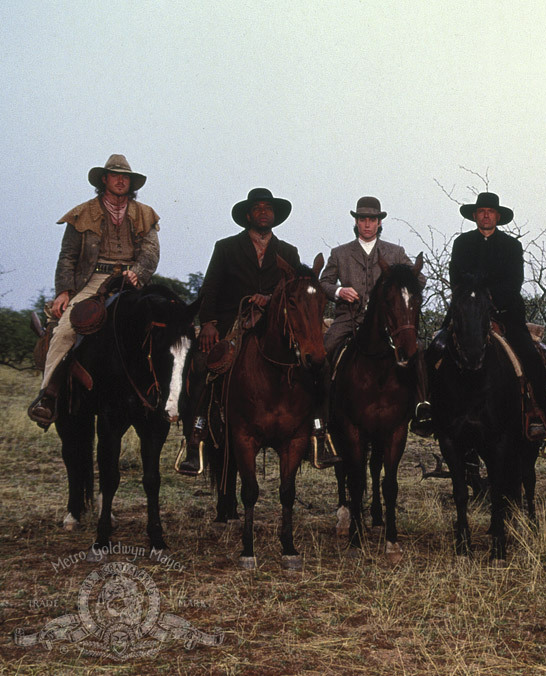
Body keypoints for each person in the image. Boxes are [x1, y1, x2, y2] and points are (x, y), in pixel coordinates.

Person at [176, 188, 337, 475]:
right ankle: (196, 435)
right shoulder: (225, 247)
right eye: (258, 208)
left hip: (275, 321)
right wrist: (209, 323)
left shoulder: (288, 251)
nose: (264, 212)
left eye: (268, 208)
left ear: (274, 216)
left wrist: (271, 298)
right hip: (232, 319)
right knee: (203, 363)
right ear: (248, 215)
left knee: (317, 364)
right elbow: (210, 288)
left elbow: (293, 287)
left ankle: (318, 433)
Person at [28, 154, 160, 426]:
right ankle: (48, 395)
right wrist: (64, 291)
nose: (121, 180)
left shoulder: (145, 214)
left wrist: (138, 273)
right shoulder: (82, 213)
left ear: (132, 183)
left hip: (131, 279)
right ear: (105, 179)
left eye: (126, 177)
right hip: (93, 280)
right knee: (65, 328)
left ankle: (170, 400)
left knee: (166, 325)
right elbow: (67, 256)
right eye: (115, 175)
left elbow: (151, 251)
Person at [444, 191, 546, 441]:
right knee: (437, 348)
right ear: (475, 216)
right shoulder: (462, 243)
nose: (485, 215)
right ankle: (430, 410)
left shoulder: (511, 246)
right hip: (467, 312)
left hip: (505, 313)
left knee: (530, 355)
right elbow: (456, 279)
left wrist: (489, 299)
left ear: (497, 216)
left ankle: (542, 416)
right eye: (481, 211)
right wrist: (471, 300)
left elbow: (514, 281)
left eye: (490, 211)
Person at [319, 196, 431, 434]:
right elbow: (324, 282)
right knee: (325, 349)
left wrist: (402, 278)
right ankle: (321, 415)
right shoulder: (339, 253)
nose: (367, 224)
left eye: (372, 219)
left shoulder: (395, 251)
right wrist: (340, 291)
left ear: (379, 223)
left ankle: (422, 405)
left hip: (388, 323)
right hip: (350, 318)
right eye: (363, 219)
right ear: (357, 222)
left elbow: (418, 279)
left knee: (417, 349)